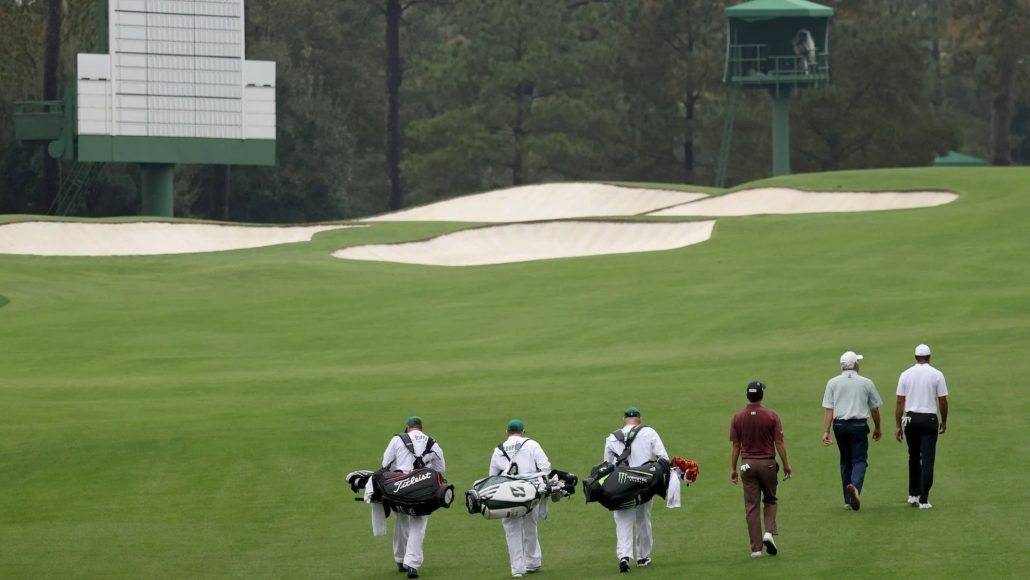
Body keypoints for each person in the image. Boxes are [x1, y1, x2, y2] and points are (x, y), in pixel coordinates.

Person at [730, 381, 792, 559]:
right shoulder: (772, 416)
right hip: (768, 464)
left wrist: (733, 468)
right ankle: (769, 533)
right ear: (761, 395)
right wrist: (786, 465)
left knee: (751, 507)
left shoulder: (738, 417)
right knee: (771, 500)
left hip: (747, 466)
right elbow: (778, 443)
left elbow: (736, 445)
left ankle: (756, 549)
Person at [603, 406, 669, 573]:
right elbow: (663, 458)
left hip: (621, 485)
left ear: (624, 420)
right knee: (643, 520)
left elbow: (607, 465)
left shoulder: (611, 437)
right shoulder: (649, 432)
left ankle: (624, 557)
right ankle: (643, 557)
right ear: (639, 419)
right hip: (644, 485)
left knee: (623, 521)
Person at [381, 416, 446, 579]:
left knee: (402, 520)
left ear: (408, 427)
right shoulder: (433, 443)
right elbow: (440, 470)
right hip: (422, 489)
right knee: (419, 524)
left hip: (400, 487)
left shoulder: (397, 439)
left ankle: (400, 559)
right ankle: (412, 564)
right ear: (421, 428)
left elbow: (385, 464)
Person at [489, 419, 552, 578]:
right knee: (530, 525)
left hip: (507, 496)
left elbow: (492, 477)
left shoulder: (498, 450)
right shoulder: (532, 444)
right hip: (530, 493)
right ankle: (532, 562)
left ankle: (517, 569)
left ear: (507, 432)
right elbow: (545, 468)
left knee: (512, 530)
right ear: (523, 431)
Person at [821, 351, 883, 511]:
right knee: (860, 460)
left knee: (845, 461)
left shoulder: (832, 383)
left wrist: (826, 431)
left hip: (839, 426)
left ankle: (848, 501)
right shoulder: (866, 382)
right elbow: (874, 408)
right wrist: (878, 427)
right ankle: (854, 487)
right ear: (855, 364)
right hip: (859, 426)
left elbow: (829, 409)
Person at [895, 344, 949, 509]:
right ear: (929, 357)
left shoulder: (905, 374)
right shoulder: (937, 374)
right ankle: (924, 499)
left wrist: (898, 425)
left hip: (909, 418)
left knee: (913, 456)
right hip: (929, 418)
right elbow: (942, 401)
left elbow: (900, 401)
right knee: (927, 459)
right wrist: (944, 420)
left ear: (915, 357)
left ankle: (913, 494)